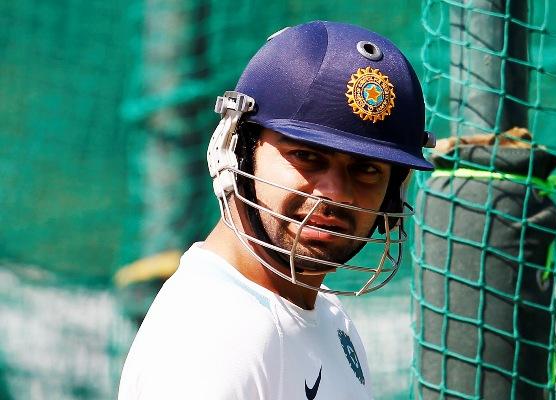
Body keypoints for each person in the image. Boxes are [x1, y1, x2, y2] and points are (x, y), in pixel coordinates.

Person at [118, 20, 435, 399]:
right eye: (306, 156)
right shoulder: (211, 333)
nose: (334, 193)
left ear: (393, 193)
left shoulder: (329, 318)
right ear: (236, 151)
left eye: (366, 169)